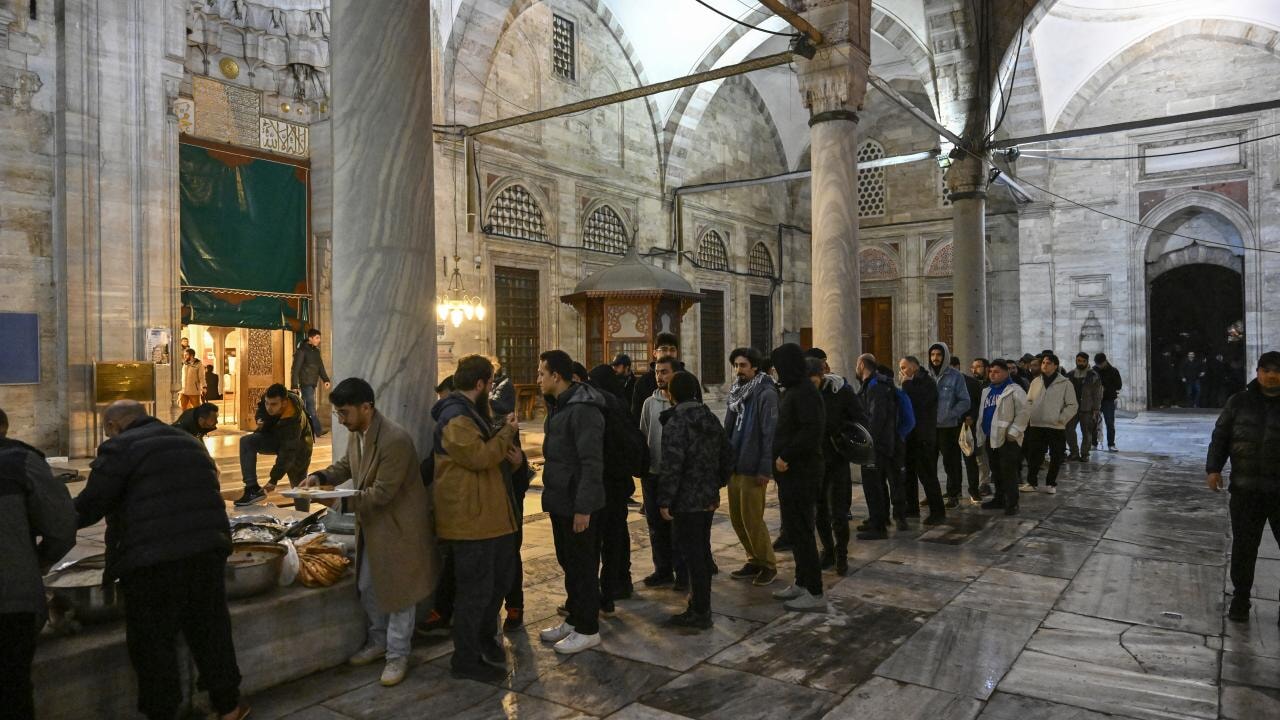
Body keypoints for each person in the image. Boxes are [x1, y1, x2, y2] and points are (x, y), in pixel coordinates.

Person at [76, 401, 248, 720]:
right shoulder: (188, 440)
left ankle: (162, 711)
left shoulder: (119, 447)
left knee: (153, 642)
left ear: (114, 426)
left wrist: (47, 523)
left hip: (151, 561)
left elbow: (90, 505)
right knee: (210, 630)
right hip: (207, 550)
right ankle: (229, 706)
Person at [301, 379, 436, 687]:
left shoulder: (395, 440)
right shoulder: (358, 433)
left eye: (345, 413)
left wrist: (336, 500)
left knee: (401, 594)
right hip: (374, 528)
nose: (341, 420)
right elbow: (347, 465)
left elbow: (381, 494)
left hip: (399, 529)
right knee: (368, 588)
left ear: (367, 407)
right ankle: (378, 643)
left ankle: (397, 655)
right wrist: (319, 476)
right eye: (338, 414)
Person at [427, 357, 519, 682]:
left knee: (494, 586)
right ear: (480, 384)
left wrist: (514, 458)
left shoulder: (471, 413)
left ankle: (482, 642)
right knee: (474, 593)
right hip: (471, 521)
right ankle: (465, 659)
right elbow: (480, 457)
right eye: (490, 383)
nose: (492, 389)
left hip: (488, 517)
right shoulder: (455, 418)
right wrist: (507, 432)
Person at [0, 408, 77, 720]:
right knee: (11, 690)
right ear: (4, 427)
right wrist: (40, 562)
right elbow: (61, 526)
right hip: (10, 598)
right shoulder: (20, 462)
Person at [537, 350, 608, 654]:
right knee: (569, 562)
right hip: (560, 499)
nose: (538, 379)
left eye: (542, 373)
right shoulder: (559, 406)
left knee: (583, 566)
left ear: (557, 376)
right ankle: (575, 618)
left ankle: (589, 628)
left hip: (576, 503)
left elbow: (591, 462)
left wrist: (584, 507)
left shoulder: (583, 409)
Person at [1207, 351, 1280, 623]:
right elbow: (1221, 436)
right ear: (1258, 371)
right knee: (1244, 546)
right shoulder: (1239, 401)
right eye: (1267, 370)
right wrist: (1213, 468)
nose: (1272, 375)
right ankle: (1240, 598)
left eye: (1277, 370)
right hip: (1246, 488)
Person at [656, 371, 732, 629]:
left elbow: (672, 464)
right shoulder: (709, 417)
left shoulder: (676, 422)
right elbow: (727, 455)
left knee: (692, 555)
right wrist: (715, 485)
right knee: (700, 552)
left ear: (672, 394)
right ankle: (700, 604)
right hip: (706, 498)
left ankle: (700, 611)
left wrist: (665, 500)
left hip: (686, 501)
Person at [768, 343, 827, 612]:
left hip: (801, 473)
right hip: (790, 475)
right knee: (795, 531)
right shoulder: (794, 389)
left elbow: (810, 430)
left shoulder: (804, 392)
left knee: (803, 532)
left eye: (779, 366)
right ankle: (802, 583)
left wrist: (786, 456)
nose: (776, 371)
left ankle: (814, 592)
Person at [723, 347, 780, 586]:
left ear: (754, 367)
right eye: (736, 365)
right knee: (737, 518)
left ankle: (768, 564)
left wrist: (764, 469)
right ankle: (753, 558)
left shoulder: (765, 393)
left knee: (752, 519)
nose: (738, 370)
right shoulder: (736, 392)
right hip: (735, 464)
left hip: (752, 464)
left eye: (743, 365)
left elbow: (769, 433)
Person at [587, 363, 639, 611]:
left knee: (603, 540)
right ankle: (618, 585)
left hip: (606, 482)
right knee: (617, 537)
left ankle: (605, 592)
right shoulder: (620, 403)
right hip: (619, 483)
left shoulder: (601, 405)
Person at [810, 354, 864, 575]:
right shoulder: (804, 394)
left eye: (813, 379)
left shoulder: (841, 391)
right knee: (819, 511)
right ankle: (828, 551)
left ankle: (842, 555)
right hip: (814, 462)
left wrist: (841, 434)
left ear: (822, 374)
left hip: (836, 459)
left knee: (838, 512)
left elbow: (859, 419)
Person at [639, 356, 684, 589]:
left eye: (664, 372)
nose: (660, 376)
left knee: (676, 526)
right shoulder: (649, 403)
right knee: (655, 525)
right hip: (653, 473)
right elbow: (644, 432)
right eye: (657, 372)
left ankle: (681, 571)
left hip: (674, 475)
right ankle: (662, 570)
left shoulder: (681, 403)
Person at [235, 383, 314, 506]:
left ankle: (305, 519)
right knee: (247, 441)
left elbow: (288, 452)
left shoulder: (294, 420)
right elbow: (261, 408)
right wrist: (260, 419)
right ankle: (252, 488)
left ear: (284, 403)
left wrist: (274, 480)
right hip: (276, 437)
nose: (269, 407)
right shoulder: (268, 399)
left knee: (300, 487)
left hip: (299, 447)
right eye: (267, 403)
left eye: (273, 404)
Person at [977, 361, 1030, 515]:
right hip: (990, 436)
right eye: (991, 371)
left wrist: (1014, 432)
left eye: (997, 371)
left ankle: (1012, 502)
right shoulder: (986, 391)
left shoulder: (1015, 390)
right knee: (996, 470)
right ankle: (999, 498)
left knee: (1008, 471)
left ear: (1006, 373)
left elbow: (1024, 412)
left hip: (1008, 438)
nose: (992, 374)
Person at [854, 355, 898, 541]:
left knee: (874, 485)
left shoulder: (876, 386)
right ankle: (876, 519)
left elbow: (876, 418)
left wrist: (866, 442)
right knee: (874, 484)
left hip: (876, 445)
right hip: (878, 443)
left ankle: (879, 526)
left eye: (857, 365)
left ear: (862, 365)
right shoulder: (873, 384)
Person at [1023, 354, 1078, 494]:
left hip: (1055, 426)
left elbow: (1072, 405)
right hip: (1037, 424)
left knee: (1056, 455)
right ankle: (1031, 482)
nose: (1044, 365)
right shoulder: (1036, 382)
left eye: (1048, 363)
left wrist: (1061, 418)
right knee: (1034, 455)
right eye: (1043, 363)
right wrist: (1030, 414)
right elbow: (1028, 401)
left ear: (1055, 365)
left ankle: (1050, 483)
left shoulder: (1065, 383)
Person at [899, 356, 944, 526]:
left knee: (927, 475)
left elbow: (917, 403)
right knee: (909, 474)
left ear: (914, 366)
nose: (902, 371)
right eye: (901, 367)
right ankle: (912, 507)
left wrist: (906, 384)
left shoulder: (927, 382)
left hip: (923, 436)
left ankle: (937, 511)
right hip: (910, 436)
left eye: (904, 367)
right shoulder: (910, 381)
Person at [926, 343, 972, 507]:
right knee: (928, 462)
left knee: (950, 463)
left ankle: (954, 494)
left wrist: (950, 414)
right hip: (929, 427)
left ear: (945, 356)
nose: (935, 358)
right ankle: (932, 494)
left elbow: (965, 401)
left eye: (938, 354)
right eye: (932, 355)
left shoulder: (956, 376)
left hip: (949, 427)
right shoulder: (925, 376)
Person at [631, 332, 701, 419]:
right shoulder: (643, 382)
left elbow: (699, 413)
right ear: (654, 353)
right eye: (664, 349)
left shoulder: (690, 380)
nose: (668, 353)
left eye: (672, 350)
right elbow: (636, 418)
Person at [290, 329, 331, 437]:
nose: (319, 340)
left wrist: (326, 379)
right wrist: (294, 385)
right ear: (310, 338)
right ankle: (317, 430)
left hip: (312, 383)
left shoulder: (316, 351)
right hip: (305, 383)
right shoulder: (302, 351)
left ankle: (300, 430)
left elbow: (320, 366)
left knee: (303, 408)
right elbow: (295, 369)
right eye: (317, 338)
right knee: (311, 407)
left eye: (319, 338)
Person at [1066, 353, 1103, 462]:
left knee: (1087, 432)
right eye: (1078, 361)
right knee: (1069, 430)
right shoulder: (1070, 375)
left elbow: (1097, 393)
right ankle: (1074, 452)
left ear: (1087, 361)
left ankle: (1085, 454)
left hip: (1087, 408)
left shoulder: (1093, 375)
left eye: (1083, 361)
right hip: (1072, 408)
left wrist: (1096, 408)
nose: (1080, 363)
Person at [963, 358, 987, 496]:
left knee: (982, 458)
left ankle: (983, 483)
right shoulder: (971, 383)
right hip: (972, 427)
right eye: (973, 367)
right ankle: (981, 483)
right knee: (977, 457)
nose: (974, 370)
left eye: (978, 367)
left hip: (983, 426)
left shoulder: (984, 384)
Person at [1095, 353, 1123, 451]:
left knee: (1109, 423)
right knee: (1093, 422)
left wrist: (1106, 387)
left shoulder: (1113, 371)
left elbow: (1119, 385)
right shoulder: (1094, 371)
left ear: (1105, 361)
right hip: (1096, 400)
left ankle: (1111, 444)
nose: (1099, 366)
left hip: (1108, 400)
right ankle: (1093, 444)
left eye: (1100, 364)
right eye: (1097, 364)